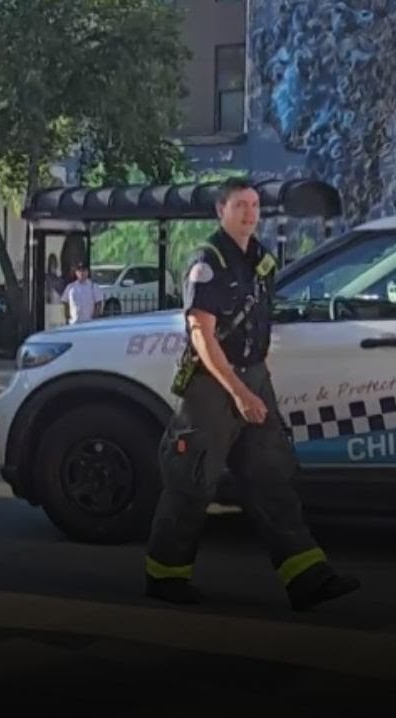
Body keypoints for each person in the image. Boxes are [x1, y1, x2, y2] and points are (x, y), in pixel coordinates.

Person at [144, 176, 360, 611]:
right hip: (214, 386)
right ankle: (165, 576)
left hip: (252, 376)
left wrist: (259, 374)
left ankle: (307, 577)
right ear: (220, 211)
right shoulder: (207, 261)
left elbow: (259, 321)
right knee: (193, 481)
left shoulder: (260, 258)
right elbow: (202, 336)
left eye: (255, 205)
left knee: (270, 477)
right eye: (240, 205)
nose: (250, 213)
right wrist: (240, 391)